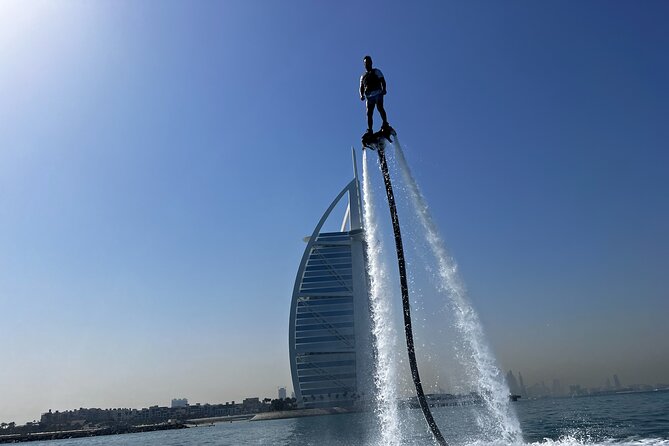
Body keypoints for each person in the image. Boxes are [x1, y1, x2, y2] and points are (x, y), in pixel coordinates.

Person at [359, 55, 390, 134]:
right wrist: (361, 95)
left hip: (378, 93)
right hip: (369, 96)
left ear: (371, 63)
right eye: (365, 63)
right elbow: (361, 87)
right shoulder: (363, 76)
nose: (367, 64)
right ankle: (370, 130)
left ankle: (385, 123)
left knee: (380, 107)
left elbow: (382, 80)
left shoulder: (376, 71)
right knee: (369, 113)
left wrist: (384, 89)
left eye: (368, 62)